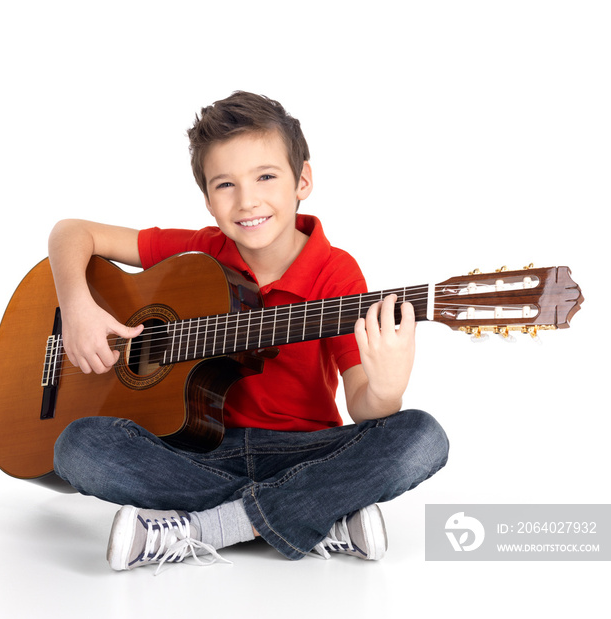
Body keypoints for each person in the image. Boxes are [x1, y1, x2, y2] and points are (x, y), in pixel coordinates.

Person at [49, 91, 449, 572]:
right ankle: (315, 516)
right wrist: (77, 308)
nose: (247, 200)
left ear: (302, 180)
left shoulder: (336, 274)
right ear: (208, 200)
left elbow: (365, 405)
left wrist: (386, 388)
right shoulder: (198, 255)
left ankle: (203, 528)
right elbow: (72, 232)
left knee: (423, 437)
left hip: (305, 453)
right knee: (78, 446)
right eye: (225, 185)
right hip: (194, 452)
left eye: (265, 176)